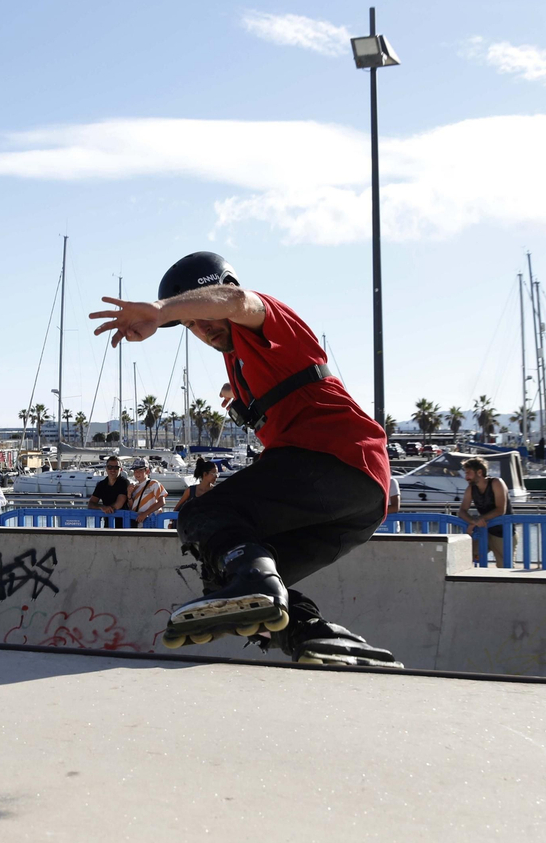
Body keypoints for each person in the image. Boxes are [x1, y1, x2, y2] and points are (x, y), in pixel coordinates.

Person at [90, 251, 397, 665]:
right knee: (226, 580)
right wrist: (238, 391)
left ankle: (260, 585)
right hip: (357, 506)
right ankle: (313, 637)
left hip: (337, 460)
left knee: (201, 515)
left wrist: (162, 311)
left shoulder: (269, 318)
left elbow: (236, 302)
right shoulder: (243, 359)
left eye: (205, 315)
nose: (203, 329)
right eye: (191, 325)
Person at [456, 457, 511, 568]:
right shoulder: (471, 489)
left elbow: (501, 510)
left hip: (503, 532)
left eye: (468, 473)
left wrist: (478, 520)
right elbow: (462, 511)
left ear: (479, 472)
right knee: (464, 555)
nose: (466, 477)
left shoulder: (496, 483)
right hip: (484, 530)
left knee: (504, 568)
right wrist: (472, 521)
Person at [88, 457, 130, 527]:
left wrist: (107, 508)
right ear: (106, 468)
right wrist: (102, 507)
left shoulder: (124, 483)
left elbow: (119, 504)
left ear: (121, 469)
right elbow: (91, 504)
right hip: (108, 523)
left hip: (124, 524)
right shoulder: (101, 484)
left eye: (116, 467)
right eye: (110, 467)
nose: (113, 470)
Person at [127, 458, 166, 527]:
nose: (137, 473)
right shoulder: (134, 487)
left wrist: (145, 514)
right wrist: (129, 495)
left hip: (151, 523)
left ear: (147, 471)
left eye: (140, 470)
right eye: (135, 471)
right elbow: (132, 507)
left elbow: (162, 502)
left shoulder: (154, 483)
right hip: (137, 523)